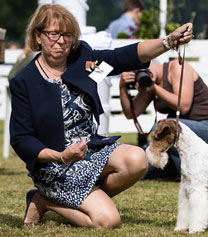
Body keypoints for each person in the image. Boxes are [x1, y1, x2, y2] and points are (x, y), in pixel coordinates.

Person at [10, 4, 192, 228]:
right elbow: (21, 139)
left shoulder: (82, 60)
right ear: (38, 36)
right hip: (55, 165)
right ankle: (44, 199)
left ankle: (74, 199)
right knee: (107, 222)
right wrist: (60, 156)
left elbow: (121, 58)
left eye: (67, 35)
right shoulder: (24, 82)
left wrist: (168, 42)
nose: (60, 41)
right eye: (53, 34)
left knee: (137, 159)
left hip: (91, 152)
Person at [119, 59, 208, 180]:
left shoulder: (177, 67)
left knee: (160, 128)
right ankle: (188, 171)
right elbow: (131, 113)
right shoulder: (149, 82)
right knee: (139, 167)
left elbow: (183, 105)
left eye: (143, 67)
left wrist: (155, 88)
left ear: (151, 60)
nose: (142, 72)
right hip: (180, 138)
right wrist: (122, 87)